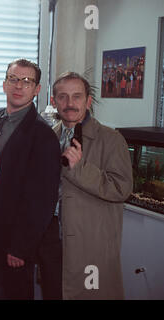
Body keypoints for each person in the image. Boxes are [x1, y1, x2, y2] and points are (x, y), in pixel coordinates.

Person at [0, 59, 62, 299]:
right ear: (4, 85)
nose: (18, 86)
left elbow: (42, 200)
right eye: (13, 79)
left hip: (12, 240)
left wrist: (21, 247)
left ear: (37, 89)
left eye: (26, 81)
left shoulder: (43, 135)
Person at [50, 71, 133, 299]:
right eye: (63, 97)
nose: (69, 104)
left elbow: (121, 188)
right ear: (53, 101)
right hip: (54, 241)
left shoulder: (111, 139)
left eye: (77, 96)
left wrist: (80, 168)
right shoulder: (49, 137)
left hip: (90, 247)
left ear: (88, 101)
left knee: (91, 293)